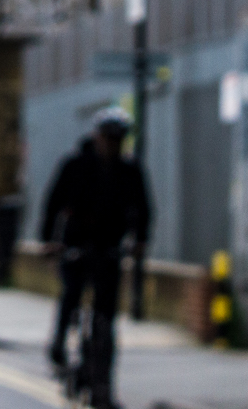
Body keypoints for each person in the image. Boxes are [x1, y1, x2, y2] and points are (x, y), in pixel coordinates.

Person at [40, 106, 151, 409]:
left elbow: (143, 208)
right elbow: (53, 203)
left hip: (109, 247)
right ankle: (59, 344)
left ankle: (104, 384)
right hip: (76, 243)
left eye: (119, 139)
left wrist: (140, 240)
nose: (113, 144)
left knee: (107, 318)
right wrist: (49, 241)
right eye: (108, 138)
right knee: (72, 293)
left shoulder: (130, 170)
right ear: (96, 137)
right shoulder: (75, 165)